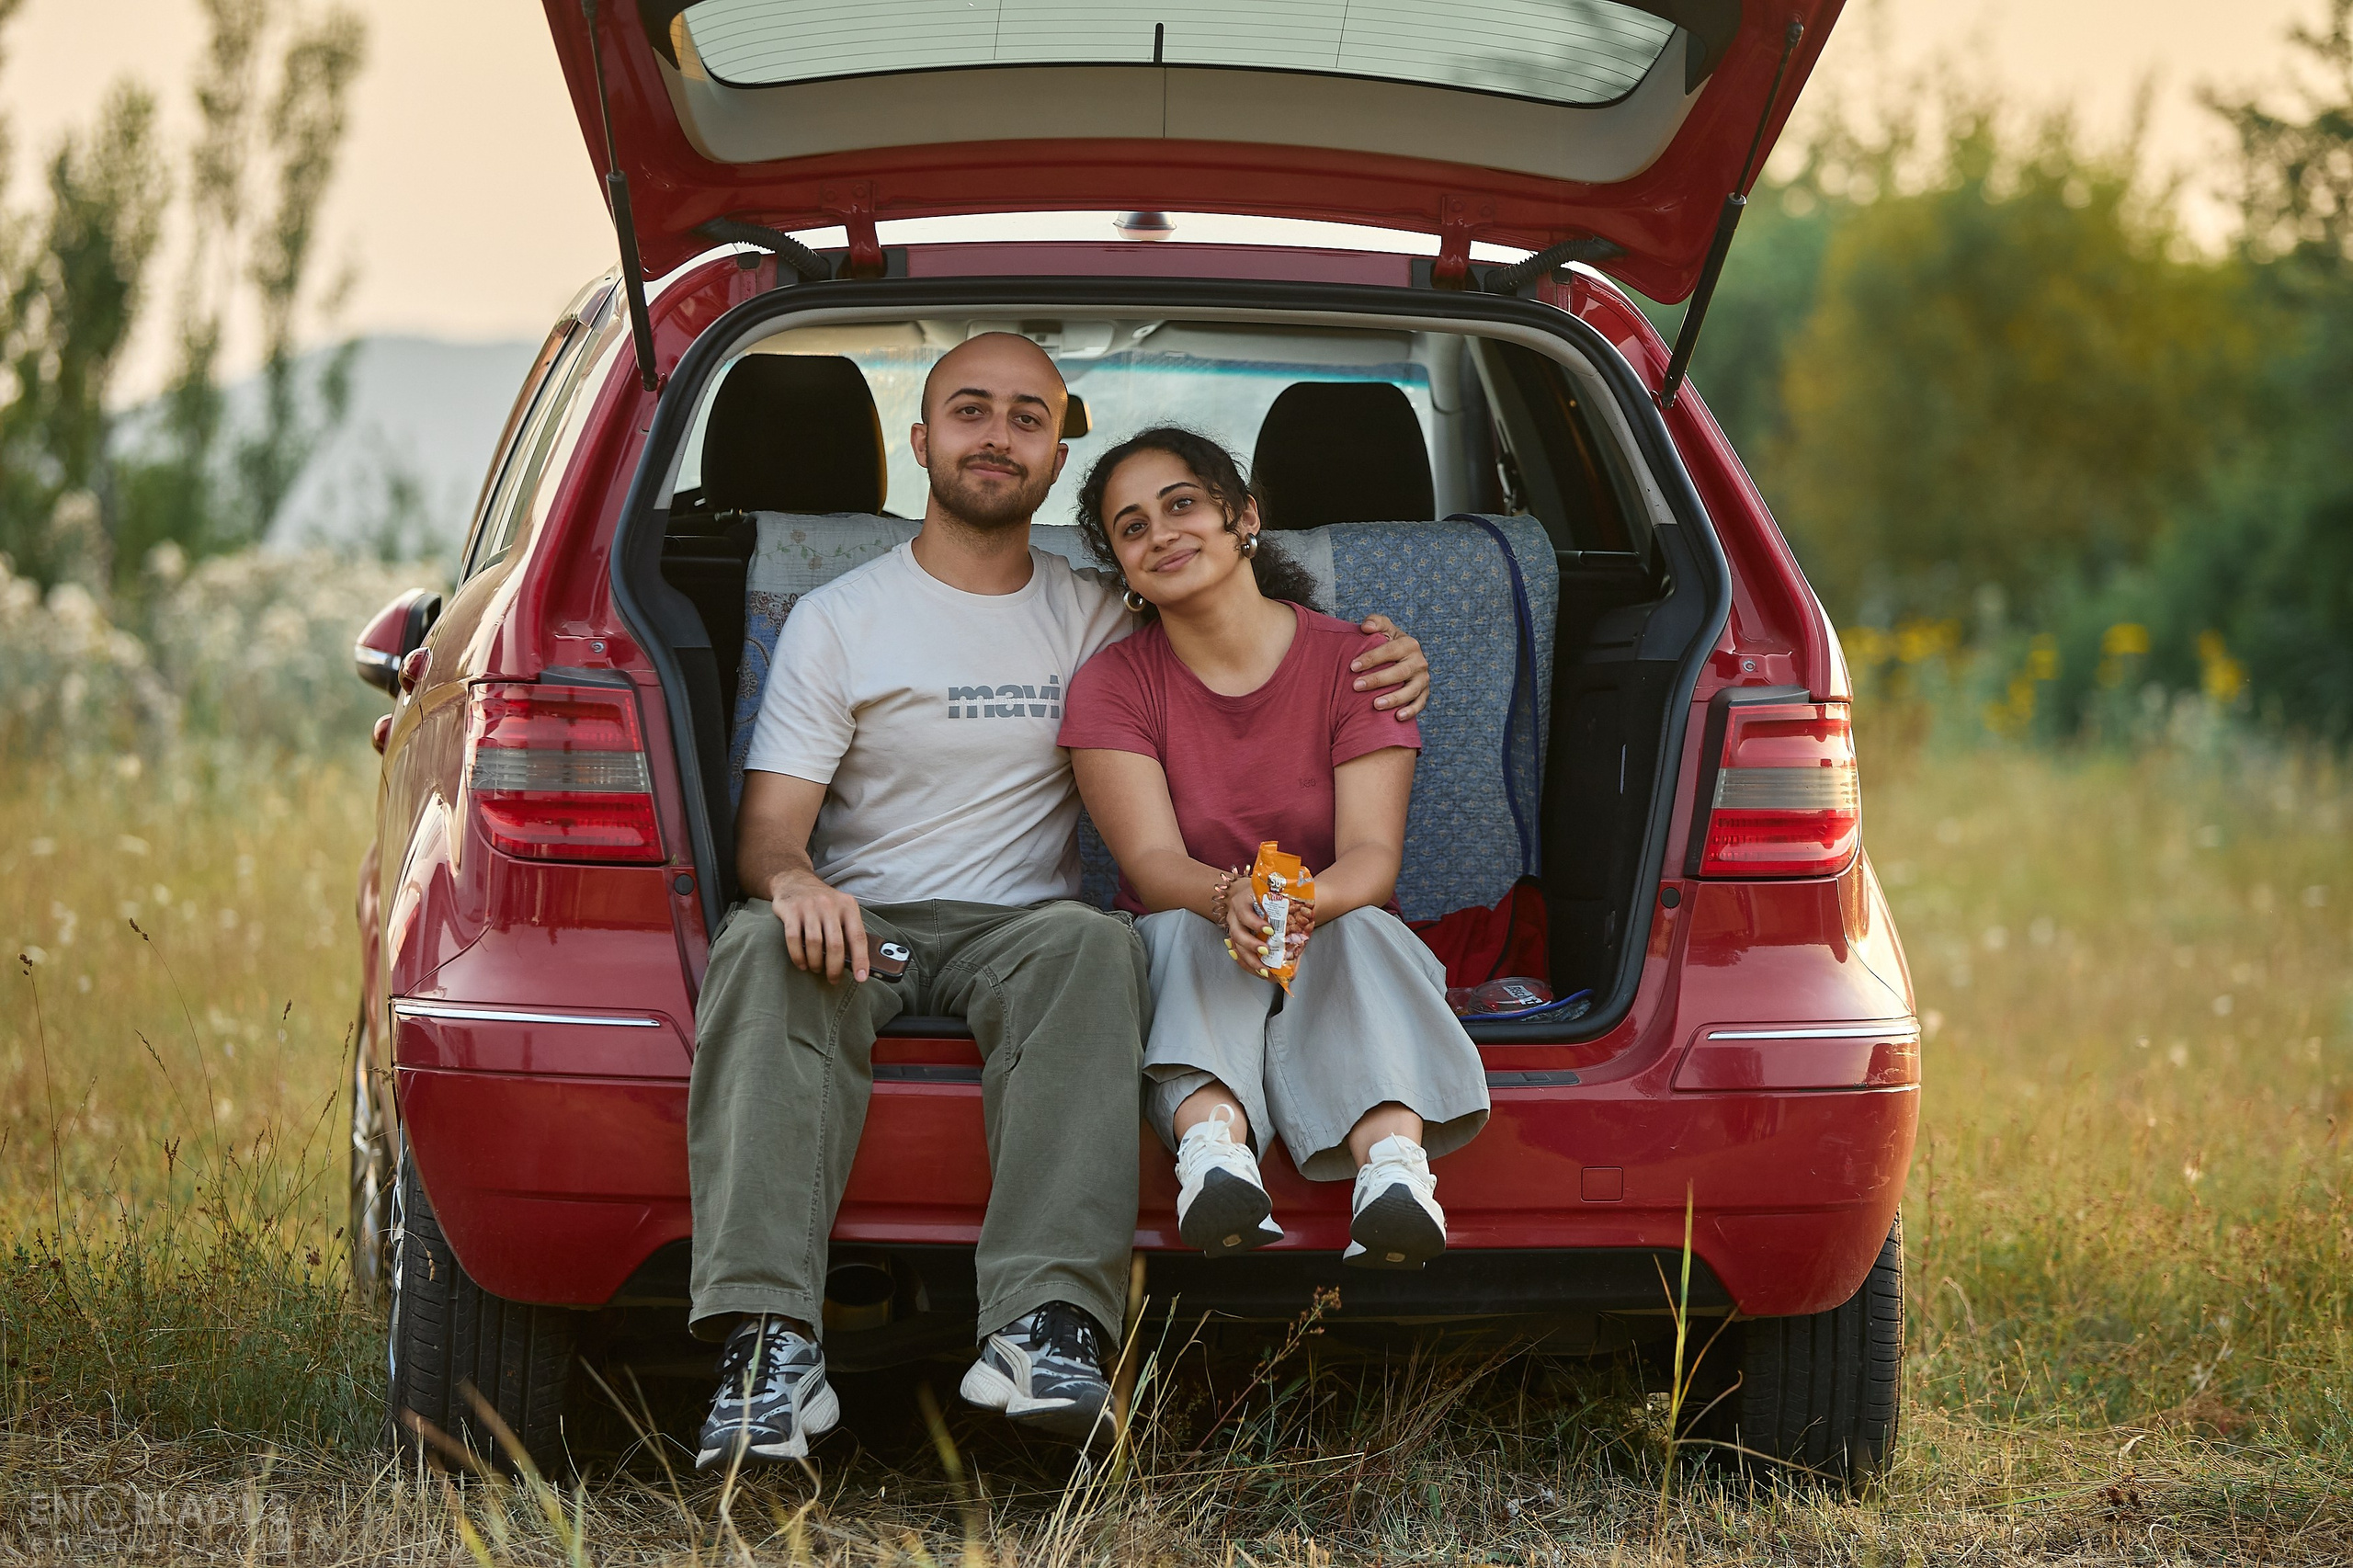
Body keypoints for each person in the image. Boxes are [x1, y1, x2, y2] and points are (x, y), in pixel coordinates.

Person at [690, 336, 1432, 1471]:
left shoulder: (1102, 611)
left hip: (1024, 935)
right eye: (971, 411)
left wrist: (1390, 657)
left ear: (1056, 446)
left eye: (1026, 417)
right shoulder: (838, 617)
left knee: (1095, 942)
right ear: (922, 438)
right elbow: (769, 836)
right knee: (759, 943)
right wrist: (794, 880)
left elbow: (1243, 649)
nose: (997, 435)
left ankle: (1047, 1330)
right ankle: (767, 1346)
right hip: (868, 922)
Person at [1059, 427, 1488, 1273]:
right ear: (1123, 568)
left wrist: (1301, 909)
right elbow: (1151, 863)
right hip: (1192, 919)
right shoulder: (1112, 684)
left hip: (1338, 920)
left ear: (1244, 516)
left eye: (1182, 504)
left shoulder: (1363, 662)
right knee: (1182, 927)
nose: (1162, 534)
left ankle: (1395, 1173)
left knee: (1360, 928)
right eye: (1132, 527)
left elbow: (1370, 856)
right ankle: (1213, 1155)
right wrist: (1232, 902)